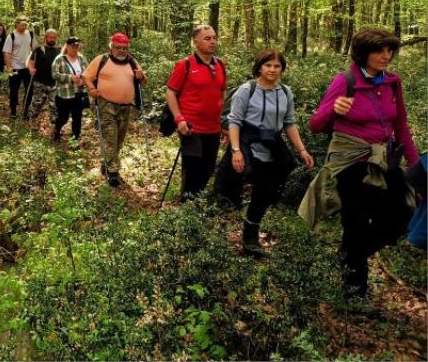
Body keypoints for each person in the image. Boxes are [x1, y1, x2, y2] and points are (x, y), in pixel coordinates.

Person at [300, 28, 419, 304]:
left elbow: (400, 125)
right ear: (363, 53)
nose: (386, 56)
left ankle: (348, 255)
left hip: (384, 161)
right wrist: (334, 110)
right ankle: (356, 295)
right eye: (380, 51)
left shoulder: (392, 82)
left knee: (401, 216)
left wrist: (415, 169)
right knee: (354, 224)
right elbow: (316, 124)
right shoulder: (346, 81)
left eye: (390, 50)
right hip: (351, 164)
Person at [224, 50, 314, 256]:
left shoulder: (285, 93)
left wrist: (302, 150)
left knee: (266, 191)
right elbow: (235, 121)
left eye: (276, 66)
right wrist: (236, 151)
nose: (272, 70)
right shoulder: (247, 90)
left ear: (282, 69)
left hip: (272, 146)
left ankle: (250, 232)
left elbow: (289, 123)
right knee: (251, 189)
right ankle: (246, 236)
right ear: (259, 67)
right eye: (268, 65)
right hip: (248, 144)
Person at [165, 24, 227, 200]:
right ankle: (187, 204)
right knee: (192, 168)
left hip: (213, 127)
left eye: (214, 38)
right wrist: (179, 119)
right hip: (191, 127)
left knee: (208, 167)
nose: (213, 41)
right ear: (196, 41)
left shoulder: (220, 64)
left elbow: (223, 92)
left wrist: (224, 122)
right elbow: (170, 92)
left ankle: (196, 203)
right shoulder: (184, 64)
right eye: (207, 38)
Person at [82, 32, 147, 187]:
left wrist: (141, 77)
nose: (121, 51)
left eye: (124, 48)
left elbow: (143, 82)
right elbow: (86, 76)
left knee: (119, 139)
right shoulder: (102, 60)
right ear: (111, 47)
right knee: (110, 136)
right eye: (118, 47)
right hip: (106, 104)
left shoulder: (132, 62)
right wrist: (91, 89)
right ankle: (113, 172)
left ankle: (106, 164)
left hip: (126, 107)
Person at [52, 36, 89, 142]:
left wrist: (83, 81)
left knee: (77, 117)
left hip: (78, 93)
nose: (75, 48)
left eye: (77, 46)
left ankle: (75, 138)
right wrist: (70, 77)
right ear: (67, 46)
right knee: (63, 117)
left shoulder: (81, 58)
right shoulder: (59, 59)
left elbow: (87, 72)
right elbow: (54, 74)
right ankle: (56, 130)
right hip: (64, 94)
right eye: (73, 46)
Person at [3, 16, 37, 118]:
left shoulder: (30, 34)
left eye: (25, 24)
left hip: (27, 67)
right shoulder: (11, 36)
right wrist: (9, 67)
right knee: (14, 90)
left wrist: (34, 65)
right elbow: (7, 53)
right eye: (22, 24)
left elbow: (35, 50)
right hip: (15, 67)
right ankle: (13, 112)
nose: (24, 26)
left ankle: (26, 111)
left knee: (29, 90)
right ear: (17, 24)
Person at [26, 29, 61, 121]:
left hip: (54, 83)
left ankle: (55, 127)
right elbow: (30, 61)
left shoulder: (59, 50)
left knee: (55, 106)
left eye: (54, 37)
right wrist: (31, 69)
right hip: (40, 82)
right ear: (46, 37)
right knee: (36, 104)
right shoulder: (39, 49)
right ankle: (30, 123)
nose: (52, 39)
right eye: (50, 37)